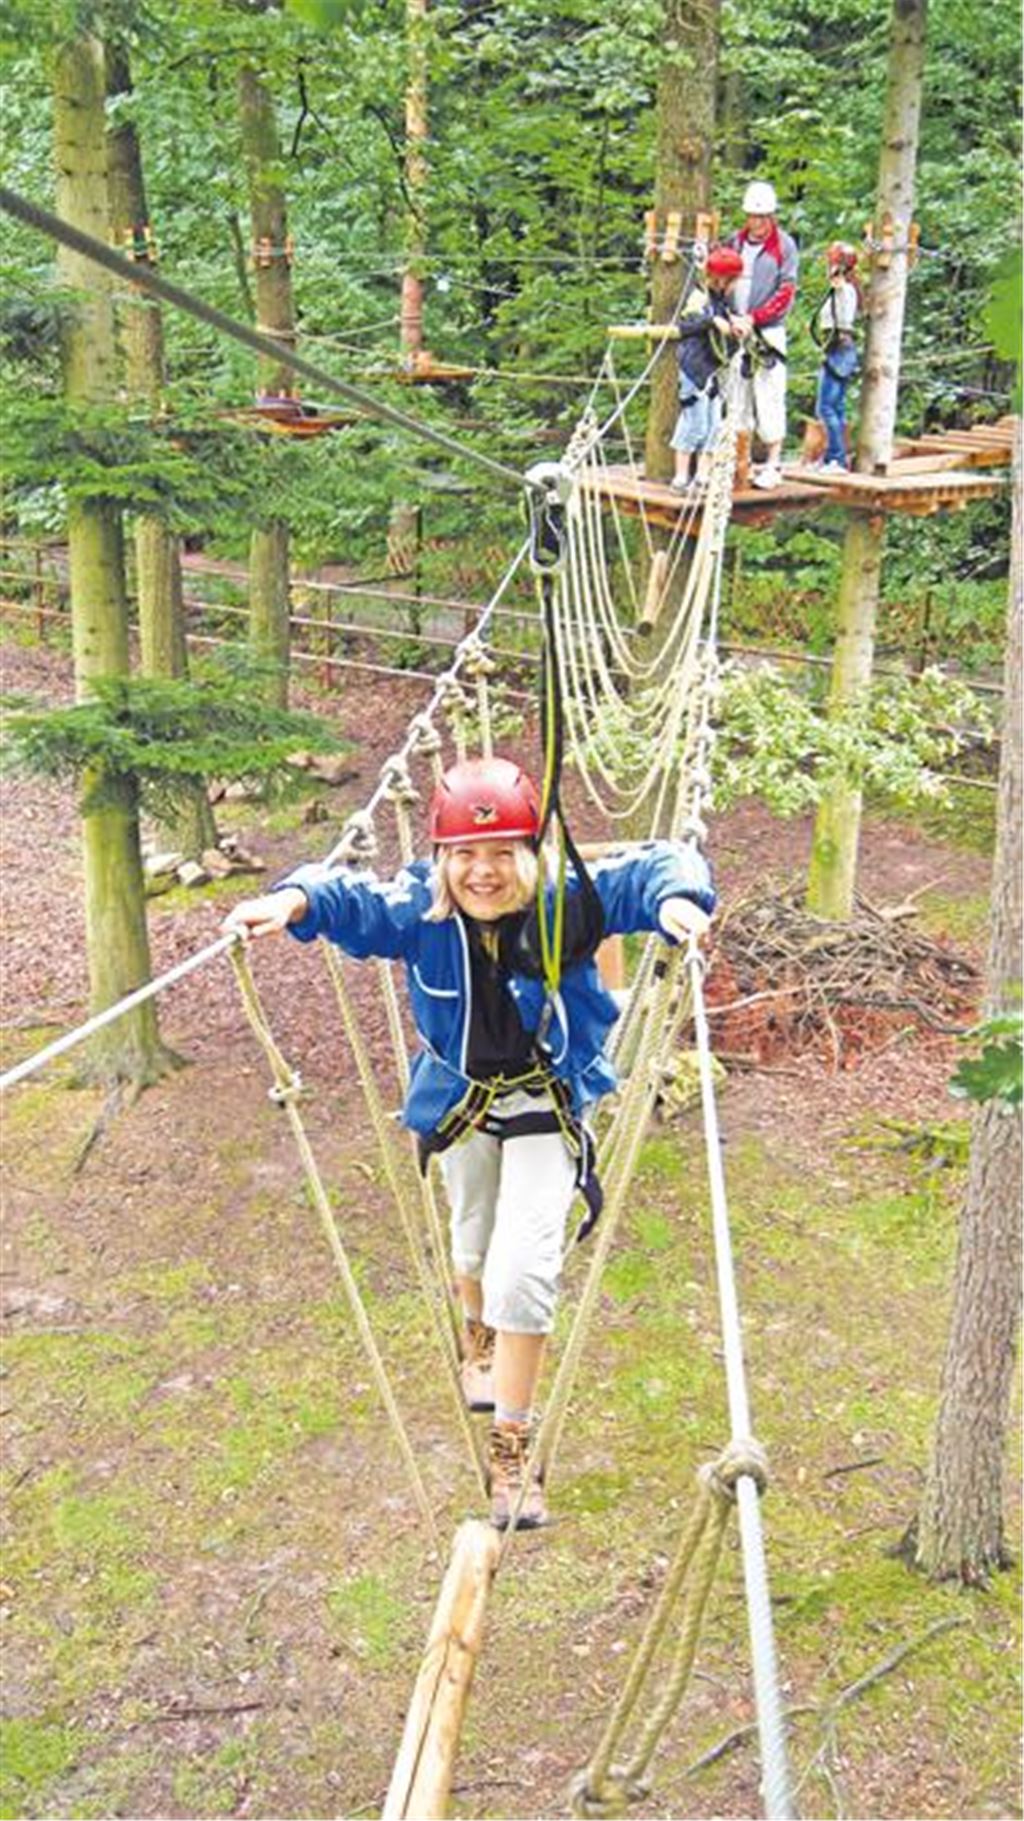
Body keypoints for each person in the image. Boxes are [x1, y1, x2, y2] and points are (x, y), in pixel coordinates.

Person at [223, 756, 715, 1530]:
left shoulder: (564, 903)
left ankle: (512, 1443)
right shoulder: (422, 911)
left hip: (548, 1100)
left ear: (527, 855)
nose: (482, 872)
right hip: (460, 1101)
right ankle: (476, 1337)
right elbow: (350, 898)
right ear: (443, 859)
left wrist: (679, 900)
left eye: (499, 854)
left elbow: (657, 864)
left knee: (525, 1268)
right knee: (472, 1238)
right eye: (465, 855)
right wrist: (291, 900)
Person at [727, 178, 799, 490]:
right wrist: (730, 317)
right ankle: (737, 461)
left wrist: (754, 318)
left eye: (761, 217)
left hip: (767, 333)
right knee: (736, 396)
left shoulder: (784, 247)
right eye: (752, 216)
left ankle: (773, 462)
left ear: (771, 216)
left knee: (769, 396)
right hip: (735, 331)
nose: (756, 223)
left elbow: (786, 291)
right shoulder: (734, 243)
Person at [669, 244, 744, 493]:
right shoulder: (699, 297)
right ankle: (681, 476)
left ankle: (703, 476)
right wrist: (712, 322)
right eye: (733, 280)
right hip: (695, 369)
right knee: (695, 422)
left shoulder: (722, 300)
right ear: (722, 279)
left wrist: (734, 324)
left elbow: (726, 317)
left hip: (713, 368)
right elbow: (686, 325)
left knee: (714, 424)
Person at [811, 241, 860, 472]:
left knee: (826, 407)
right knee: (836, 407)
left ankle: (836, 458)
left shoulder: (844, 291)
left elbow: (843, 318)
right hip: (838, 348)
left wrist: (838, 287)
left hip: (838, 348)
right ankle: (835, 456)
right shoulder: (844, 290)